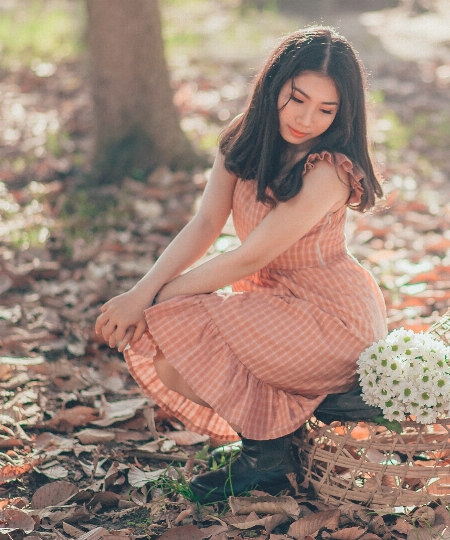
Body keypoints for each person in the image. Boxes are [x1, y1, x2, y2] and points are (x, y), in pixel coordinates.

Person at [94, 26, 387, 504]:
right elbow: (206, 222)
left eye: (326, 110)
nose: (307, 118)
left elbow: (253, 255)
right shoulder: (245, 138)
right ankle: (267, 453)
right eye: (297, 99)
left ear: (343, 114)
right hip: (273, 304)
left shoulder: (330, 169)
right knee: (171, 360)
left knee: (172, 317)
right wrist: (142, 290)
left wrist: (159, 298)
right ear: (274, 86)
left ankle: (316, 405)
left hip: (333, 318)